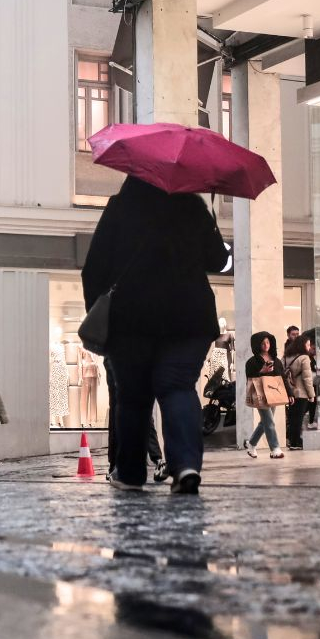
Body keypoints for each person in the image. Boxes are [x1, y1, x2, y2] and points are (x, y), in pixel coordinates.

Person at [81, 176, 228, 495]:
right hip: (191, 318)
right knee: (177, 387)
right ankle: (186, 465)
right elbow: (218, 259)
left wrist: (98, 312)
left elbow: (93, 269)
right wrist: (210, 217)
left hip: (132, 321)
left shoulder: (120, 208)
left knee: (133, 397)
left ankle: (132, 474)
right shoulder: (191, 204)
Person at [242, 331, 284, 460]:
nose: (266, 345)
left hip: (273, 393)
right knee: (269, 421)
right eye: (263, 343)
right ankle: (275, 448)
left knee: (264, 422)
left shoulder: (276, 360)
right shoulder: (251, 362)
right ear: (257, 345)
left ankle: (251, 443)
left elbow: (283, 378)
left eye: (268, 342)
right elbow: (249, 378)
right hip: (259, 393)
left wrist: (290, 393)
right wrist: (262, 371)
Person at [283, 333, 316, 451]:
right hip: (301, 393)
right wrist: (311, 395)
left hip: (290, 392)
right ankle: (296, 442)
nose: (309, 347)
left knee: (292, 418)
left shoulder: (287, 357)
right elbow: (307, 378)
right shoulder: (304, 358)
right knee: (298, 419)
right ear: (302, 345)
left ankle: (292, 441)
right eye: (308, 345)